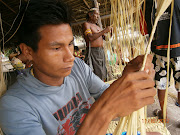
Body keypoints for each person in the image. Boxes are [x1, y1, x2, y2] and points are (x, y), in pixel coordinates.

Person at [0, 1, 159, 135]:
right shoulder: (15, 106)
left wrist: (127, 79)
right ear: (28, 51)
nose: (70, 57)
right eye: (56, 48)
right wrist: (105, 111)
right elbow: (107, 104)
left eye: (70, 44)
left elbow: (104, 93)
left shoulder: (77, 67)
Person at [149, 0, 180, 118]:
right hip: (178, 50)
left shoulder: (149, 3)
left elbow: (145, 30)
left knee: (161, 83)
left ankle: (164, 113)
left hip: (160, 50)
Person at [82, 8, 111, 81]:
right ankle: (99, 89)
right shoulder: (86, 24)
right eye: (96, 14)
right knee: (97, 72)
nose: (98, 16)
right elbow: (90, 38)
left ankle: (102, 86)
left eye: (98, 14)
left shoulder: (98, 27)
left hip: (101, 51)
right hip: (93, 51)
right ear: (90, 14)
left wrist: (110, 33)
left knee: (103, 71)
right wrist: (104, 31)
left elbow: (106, 39)